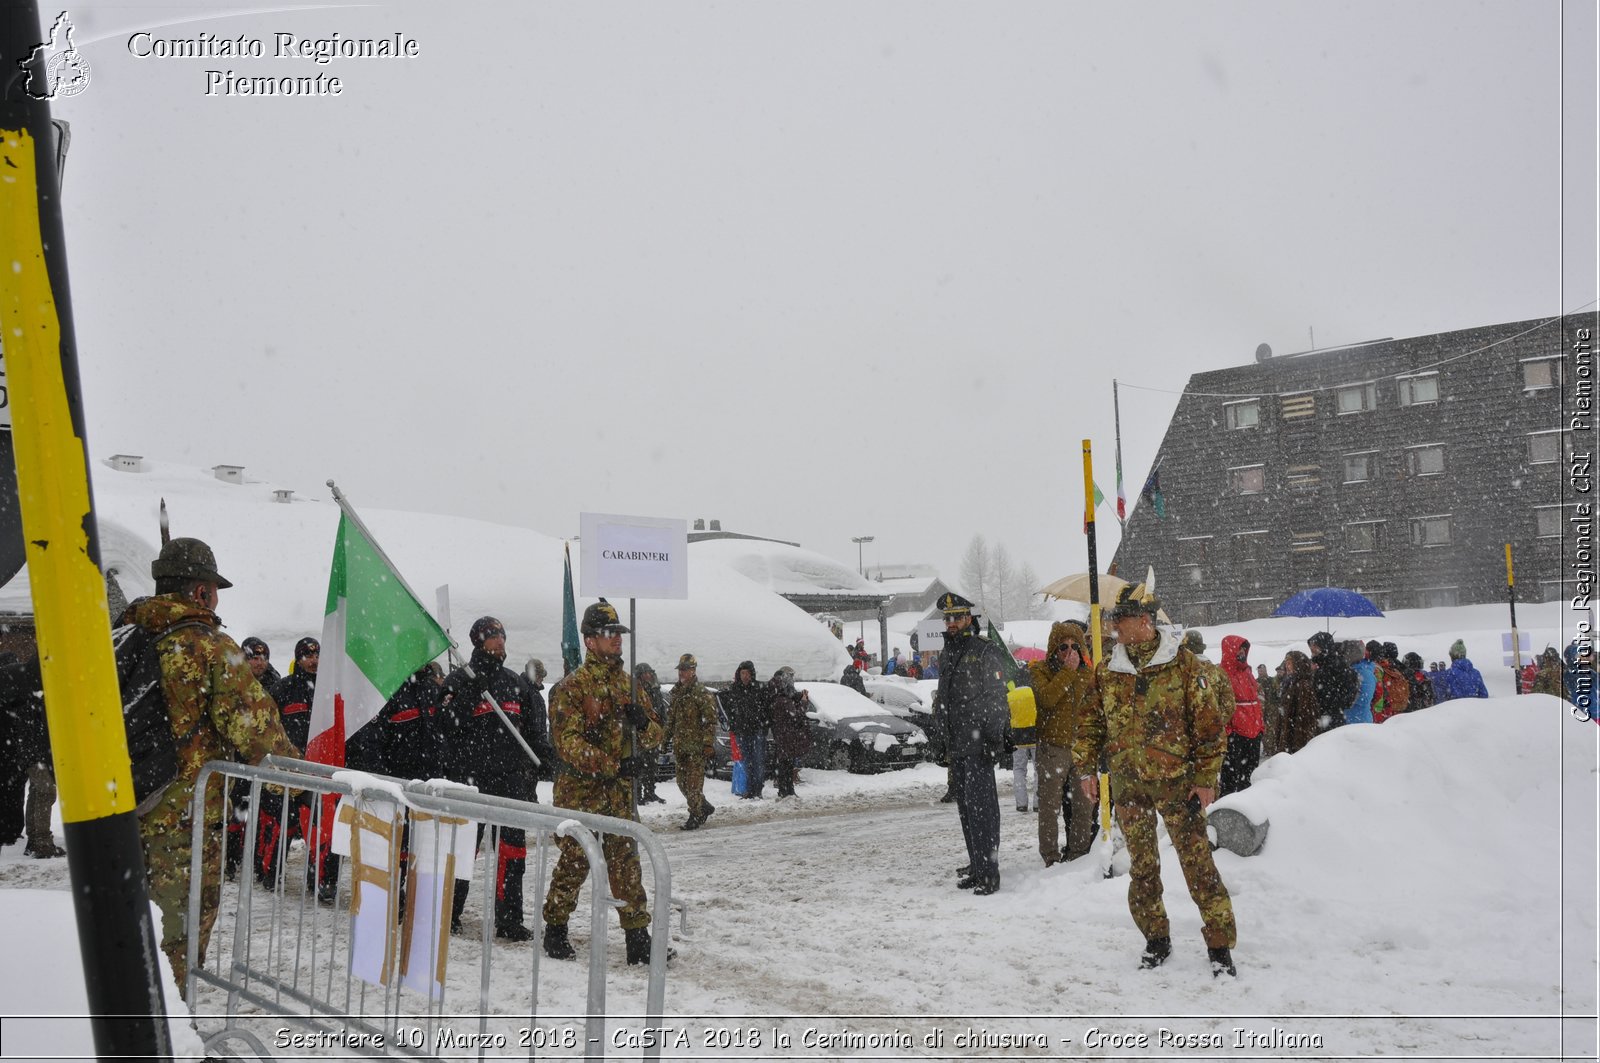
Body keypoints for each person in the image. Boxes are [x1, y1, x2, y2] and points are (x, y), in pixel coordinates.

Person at [130, 537, 298, 985]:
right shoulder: (207, 646)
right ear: (201, 592)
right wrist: (303, 786)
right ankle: (166, 1040)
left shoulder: (123, 637)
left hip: (120, 808)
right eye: (214, 589)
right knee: (177, 939)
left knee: (125, 928)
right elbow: (257, 731)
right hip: (184, 817)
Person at [1076, 581, 1237, 978]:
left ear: (1145, 621)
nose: (1114, 627)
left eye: (1121, 619)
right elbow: (1091, 724)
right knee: (1143, 869)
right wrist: (1086, 768)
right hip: (1130, 786)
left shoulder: (1184, 667)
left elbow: (1210, 728)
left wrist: (1205, 777)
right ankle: (1156, 940)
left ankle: (1220, 948)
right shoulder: (1109, 670)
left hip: (1177, 784)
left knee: (1198, 867)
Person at [542, 600, 666, 965]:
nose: (617, 640)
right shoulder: (572, 687)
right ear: (590, 641)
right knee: (575, 862)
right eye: (608, 634)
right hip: (583, 795)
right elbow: (567, 744)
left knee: (627, 864)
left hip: (621, 797)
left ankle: (637, 939)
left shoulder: (630, 686)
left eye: (619, 634)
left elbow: (657, 735)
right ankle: (555, 928)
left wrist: (643, 723)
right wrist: (613, 764)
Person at [440, 616, 544, 941]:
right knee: (463, 850)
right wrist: (473, 689)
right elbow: (446, 724)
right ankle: (448, 913)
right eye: (491, 636)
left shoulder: (516, 683)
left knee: (512, 851)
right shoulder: (459, 680)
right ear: (477, 641)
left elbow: (533, 733)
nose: (498, 641)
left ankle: (509, 919)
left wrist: (537, 766)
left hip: (509, 780)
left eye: (501, 634)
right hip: (471, 780)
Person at [934, 592, 1009, 896]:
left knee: (983, 812)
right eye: (947, 618)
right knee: (966, 810)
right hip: (958, 745)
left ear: (968, 619)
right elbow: (943, 701)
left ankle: (990, 873)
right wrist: (940, 739)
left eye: (957, 617)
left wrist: (993, 738)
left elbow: (996, 699)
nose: (951, 623)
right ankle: (977, 867)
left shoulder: (984, 651)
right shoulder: (946, 654)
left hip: (978, 746)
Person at [265, 637, 339, 900]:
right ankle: (271, 875)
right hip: (289, 769)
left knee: (321, 827)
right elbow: (267, 725)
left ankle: (321, 881)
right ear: (298, 658)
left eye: (317, 653)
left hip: (321, 769)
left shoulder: (331, 689)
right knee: (284, 822)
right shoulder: (283, 688)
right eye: (307, 654)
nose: (313, 659)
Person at [1027, 621, 1097, 865]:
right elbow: (1046, 698)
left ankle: (1079, 854)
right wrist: (1067, 672)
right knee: (1049, 807)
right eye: (1063, 647)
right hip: (1052, 747)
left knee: (1084, 805)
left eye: (1074, 646)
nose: (1069, 652)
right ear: (1053, 648)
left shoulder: (1089, 673)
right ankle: (1050, 857)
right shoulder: (1040, 671)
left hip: (1081, 749)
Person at [667, 653, 718, 830]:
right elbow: (670, 720)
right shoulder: (677, 694)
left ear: (693, 671)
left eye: (685, 670)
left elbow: (710, 720)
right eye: (680, 669)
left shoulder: (701, 694)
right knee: (682, 784)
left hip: (696, 749)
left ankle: (696, 815)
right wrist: (664, 740)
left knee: (693, 787)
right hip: (681, 748)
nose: (681, 673)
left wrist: (707, 743)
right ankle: (703, 806)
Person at [1217, 635, 1263, 797]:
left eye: (1244, 649)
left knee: (1250, 776)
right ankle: (1227, 809)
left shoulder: (1248, 672)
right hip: (1236, 735)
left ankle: (1249, 807)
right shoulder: (1223, 674)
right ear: (1231, 651)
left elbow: (1255, 701)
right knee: (1231, 778)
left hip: (1253, 732)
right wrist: (1229, 732)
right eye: (1239, 649)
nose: (1242, 652)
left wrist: (1260, 727)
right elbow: (1219, 705)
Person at [722, 660, 770, 799]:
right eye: (742, 673)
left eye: (747, 673)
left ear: (752, 674)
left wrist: (763, 725)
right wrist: (734, 725)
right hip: (741, 732)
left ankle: (757, 789)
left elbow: (767, 709)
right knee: (746, 762)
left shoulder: (759, 689)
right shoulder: (734, 689)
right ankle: (749, 789)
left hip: (757, 732)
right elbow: (729, 710)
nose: (745, 676)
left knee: (758, 762)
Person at [767, 667, 812, 799]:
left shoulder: (778, 694)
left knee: (786, 762)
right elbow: (796, 715)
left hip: (783, 734)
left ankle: (787, 790)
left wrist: (799, 698)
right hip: (786, 734)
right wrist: (803, 702)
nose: (793, 679)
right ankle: (785, 790)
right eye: (791, 677)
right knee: (785, 763)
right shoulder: (782, 698)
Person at [632, 663, 669, 805]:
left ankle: (649, 792)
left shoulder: (655, 688)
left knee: (651, 765)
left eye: (650, 672)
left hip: (654, 732)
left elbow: (660, 708)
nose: (649, 675)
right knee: (640, 765)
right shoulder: (636, 690)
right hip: (641, 733)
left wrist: (662, 724)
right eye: (646, 673)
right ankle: (638, 794)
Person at [1307, 631, 1355, 732]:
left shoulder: (1336, 665)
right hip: (1321, 717)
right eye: (1311, 646)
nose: (1312, 649)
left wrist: (1328, 706)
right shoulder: (1319, 665)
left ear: (1323, 646)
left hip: (1332, 719)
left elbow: (1347, 693)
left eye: (1314, 646)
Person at [1279, 651, 1321, 754]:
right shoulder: (1291, 683)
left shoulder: (1303, 686)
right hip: (1290, 735)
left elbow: (1304, 718)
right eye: (1286, 663)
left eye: (1290, 663)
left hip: (1297, 740)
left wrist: (1297, 744)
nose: (1287, 666)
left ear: (1298, 665)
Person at [1564, 640, 1597, 722]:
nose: (1586, 659)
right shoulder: (1571, 674)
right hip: (1584, 714)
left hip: (1595, 712)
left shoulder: (1590, 672)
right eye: (1581, 657)